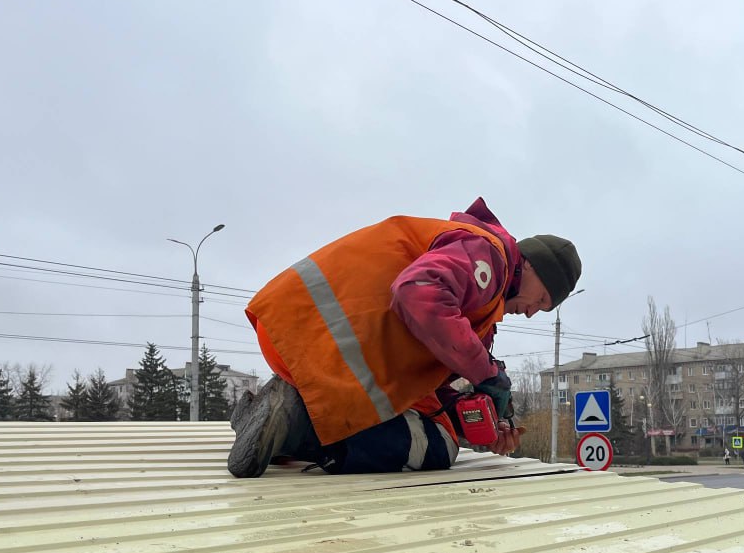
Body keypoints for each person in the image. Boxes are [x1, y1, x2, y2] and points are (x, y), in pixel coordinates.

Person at [228, 198, 581, 477]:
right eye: (542, 299)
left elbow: (428, 387)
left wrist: (479, 421)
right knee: (437, 445)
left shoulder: (480, 308)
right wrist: (486, 373)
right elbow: (417, 291)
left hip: (293, 336)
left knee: (441, 429)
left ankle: (268, 417)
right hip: (319, 346)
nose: (533, 311)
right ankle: (299, 425)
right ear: (530, 265)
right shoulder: (489, 256)